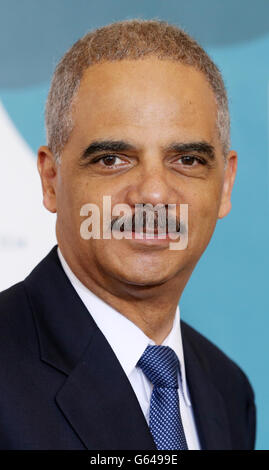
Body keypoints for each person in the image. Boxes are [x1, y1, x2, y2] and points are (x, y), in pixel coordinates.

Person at [0, 19, 255, 450]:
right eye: (112, 159)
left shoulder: (228, 391)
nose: (153, 193)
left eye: (187, 160)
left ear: (225, 184)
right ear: (50, 179)